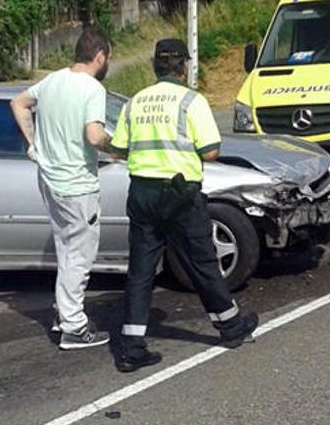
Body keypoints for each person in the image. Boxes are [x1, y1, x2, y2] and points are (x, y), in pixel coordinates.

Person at [110, 39, 259, 373]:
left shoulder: (134, 103)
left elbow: (118, 151)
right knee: (203, 261)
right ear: (184, 67)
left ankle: (132, 347)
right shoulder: (192, 101)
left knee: (141, 271)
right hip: (179, 193)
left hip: (143, 193)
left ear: (155, 67)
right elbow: (210, 152)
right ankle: (231, 326)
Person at [11, 29, 113, 350]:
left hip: (50, 180)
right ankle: (74, 326)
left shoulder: (52, 80)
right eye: (107, 56)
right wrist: (121, 147)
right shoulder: (92, 89)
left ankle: (64, 313)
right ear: (100, 56)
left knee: (66, 250)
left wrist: (34, 144)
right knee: (80, 256)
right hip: (77, 185)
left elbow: (19, 103)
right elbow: (95, 136)